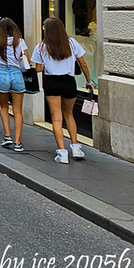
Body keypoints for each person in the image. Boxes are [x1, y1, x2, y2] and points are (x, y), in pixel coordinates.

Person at [32, 17, 92, 163]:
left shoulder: (41, 47)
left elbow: (38, 69)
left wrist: (47, 64)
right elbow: (83, 64)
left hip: (52, 82)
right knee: (69, 115)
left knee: (56, 118)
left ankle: (62, 152)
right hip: (68, 81)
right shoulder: (71, 43)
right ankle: (76, 147)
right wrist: (89, 81)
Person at [0, 17, 29, 152]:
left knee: (3, 107)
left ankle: (7, 135)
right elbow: (26, 59)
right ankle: (18, 142)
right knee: (18, 110)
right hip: (16, 72)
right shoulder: (20, 41)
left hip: (1, 73)